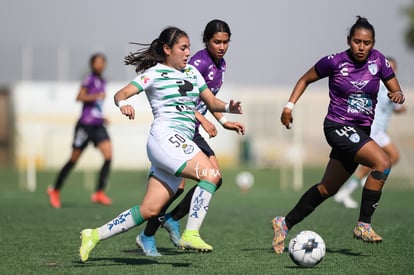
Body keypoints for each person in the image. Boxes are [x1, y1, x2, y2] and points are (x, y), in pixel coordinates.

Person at [78, 26, 243, 263]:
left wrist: (229, 108)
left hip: (178, 142)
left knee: (150, 210)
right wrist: (123, 103)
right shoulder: (153, 74)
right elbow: (121, 93)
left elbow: (212, 102)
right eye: (182, 48)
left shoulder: (193, 74)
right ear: (167, 49)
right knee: (211, 175)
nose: (188, 53)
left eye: (188, 48)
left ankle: (93, 234)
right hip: (165, 137)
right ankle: (191, 233)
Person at [272, 16, 405, 254]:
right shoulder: (334, 62)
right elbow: (305, 79)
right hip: (337, 126)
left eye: (367, 42)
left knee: (327, 189)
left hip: (360, 131)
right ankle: (364, 224)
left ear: (373, 43)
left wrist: (398, 96)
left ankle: (284, 223)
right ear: (349, 41)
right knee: (383, 163)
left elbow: (397, 90)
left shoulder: (379, 62)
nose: (361, 47)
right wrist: (288, 107)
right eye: (357, 41)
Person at [135, 19, 245, 257]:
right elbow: (182, 98)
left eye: (226, 42)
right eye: (217, 41)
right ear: (206, 41)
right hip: (182, 127)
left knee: (212, 179)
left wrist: (224, 122)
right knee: (184, 184)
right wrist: (202, 119)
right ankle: (151, 233)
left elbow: (209, 99)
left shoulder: (220, 64)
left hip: (193, 127)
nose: (222, 46)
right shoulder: (197, 62)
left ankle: (170, 221)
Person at [334, 57, 406, 208]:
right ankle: (347, 190)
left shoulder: (392, 87)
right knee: (376, 162)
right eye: (388, 67)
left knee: (393, 157)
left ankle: (355, 185)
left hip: (380, 131)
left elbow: (398, 106)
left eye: (392, 68)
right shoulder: (379, 84)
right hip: (373, 128)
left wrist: (400, 106)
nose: (389, 71)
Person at [47, 53, 112, 208]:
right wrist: (95, 95)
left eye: (103, 62)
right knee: (74, 158)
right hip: (85, 125)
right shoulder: (89, 79)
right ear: (92, 64)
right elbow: (79, 97)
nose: (100, 65)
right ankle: (55, 190)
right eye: (97, 62)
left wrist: (102, 118)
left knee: (108, 155)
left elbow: (97, 106)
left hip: (98, 125)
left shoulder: (103, 81)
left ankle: (99, 192)